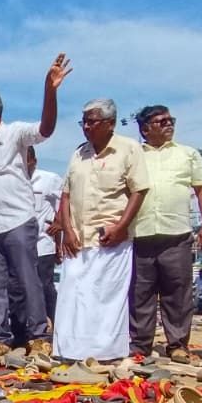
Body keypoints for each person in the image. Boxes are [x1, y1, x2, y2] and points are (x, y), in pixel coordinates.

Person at [0, 54, 72, 356]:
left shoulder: (15, 134)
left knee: (27, 280)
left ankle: (38, 336)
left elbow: (46, 129)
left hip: (18, 220)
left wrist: (50, 91)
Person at [53, 99, 150, 361]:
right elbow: (65, 195)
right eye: (83, 121)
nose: (86, 126)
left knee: (106, 299)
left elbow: (139, 190)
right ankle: (70, 353)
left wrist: (121, 227)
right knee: (73, 296)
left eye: (92, 121)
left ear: (110, 123)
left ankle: (104, 355)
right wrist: (68, 231)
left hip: (111, 240)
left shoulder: (128, 149)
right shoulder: (78, 153)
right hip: (78, 240)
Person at [130, 105, 202, 363]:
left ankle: (177, 344)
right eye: (160, 121)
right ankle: (139, 346)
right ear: (145, 129)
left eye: (170, 120)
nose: (168, 124)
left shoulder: (187, 154)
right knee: (139, 294)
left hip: (176, 234)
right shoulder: (133, 155)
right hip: (140, 234)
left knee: (177, 293)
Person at [27, 147, 63, 327]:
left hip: (43, 244)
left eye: (26, 159)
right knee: (23, 289)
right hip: (20, 247)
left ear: (34, 160)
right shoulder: (13, 181)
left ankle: (56, 327)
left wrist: (59, 224)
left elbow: (64, 204)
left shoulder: (49, 179)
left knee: (45, 287)